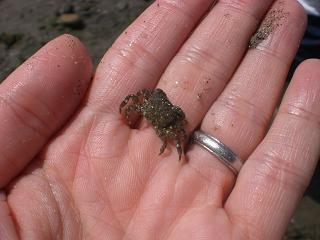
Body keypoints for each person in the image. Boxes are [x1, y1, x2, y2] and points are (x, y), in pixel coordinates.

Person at [0, 0, 319, 239]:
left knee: (173, 132)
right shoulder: (152, 100)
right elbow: (135, 99)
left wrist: (173, 144)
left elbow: (171, 122)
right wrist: (129, 112)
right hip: (158, 108)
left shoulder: (170, 121)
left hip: (164, 115)